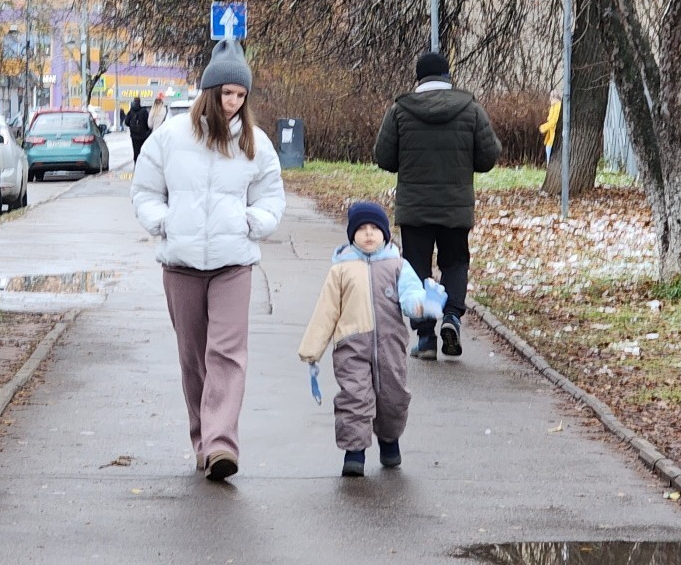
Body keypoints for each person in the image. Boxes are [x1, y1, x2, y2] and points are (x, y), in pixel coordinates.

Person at [130, 39, 286, 482]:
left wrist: (248, 222)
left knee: (227, 352)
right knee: (193, 357)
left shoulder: (256, 144)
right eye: (226, 94)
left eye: (241, 95)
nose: (234, 103)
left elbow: (272, 198)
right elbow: (144, 191)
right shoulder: (170, 137)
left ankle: (221, 445)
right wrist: (165, 223)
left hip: (232, 263)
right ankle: (202, 441)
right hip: (180, 264)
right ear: (209, 92)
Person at [298, 202, 446, 477]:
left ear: (385, 234)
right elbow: (326, 311)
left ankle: (389, 440)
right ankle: (354, 452)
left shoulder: (398, 265)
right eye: (362, 229)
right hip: (351, 346)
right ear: (352, 234)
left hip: (390, 345)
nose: (368, 234)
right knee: (354, 397)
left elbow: (411, 295)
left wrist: (422, 305)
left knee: (393, 396)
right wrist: (312, 349)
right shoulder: (341, 270)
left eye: (375, 229)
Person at [374, 51, 501, 361]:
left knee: (416, 267)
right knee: (455, 262)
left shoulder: (400, 111)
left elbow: (383, 157)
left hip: (415, 208)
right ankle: (452, 316)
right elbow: (488, 157)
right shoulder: (470, 109)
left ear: (418, 78)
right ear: (448, 76)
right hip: (455, 206)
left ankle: (426, 337)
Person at [539, 87, 561, 164]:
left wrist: (543, 127)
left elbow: (554, 121)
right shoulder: (553, 106)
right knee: (548, 148)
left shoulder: (557, 106)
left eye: (551, 96)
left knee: (550, 150)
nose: (550, 98)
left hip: (555, 135)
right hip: (551, 135)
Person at [125, 97, 150, 164]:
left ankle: (136, 163)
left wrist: (131, 126)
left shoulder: (131, 111)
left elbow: (126, 122)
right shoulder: (144, 111)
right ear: (140, 102)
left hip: (134, 135)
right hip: (143, 135)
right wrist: (147, 130)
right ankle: (142, 163)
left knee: (135, 150)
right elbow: (147, 122)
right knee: (142, 150)